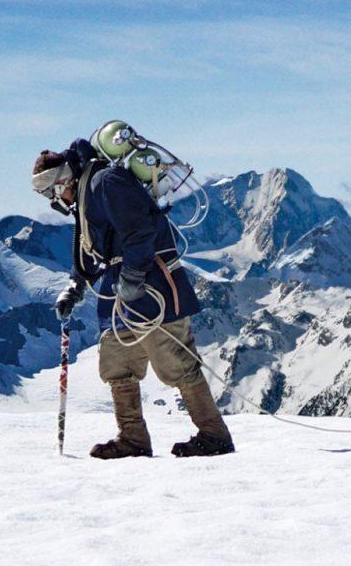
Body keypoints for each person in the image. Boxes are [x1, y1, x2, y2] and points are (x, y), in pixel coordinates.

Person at [31, 140, 234, 459]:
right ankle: (133, 438)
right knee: (117, 363)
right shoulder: (89, 192)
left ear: (62, 180)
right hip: (124, 291)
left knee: (176, 362)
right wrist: (75, 287)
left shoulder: (105, 183)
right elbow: (88, 248)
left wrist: (133, 279)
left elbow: (140, 232)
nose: (52, 201)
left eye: (48, 192)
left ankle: (214, 436)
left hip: (153, 286)